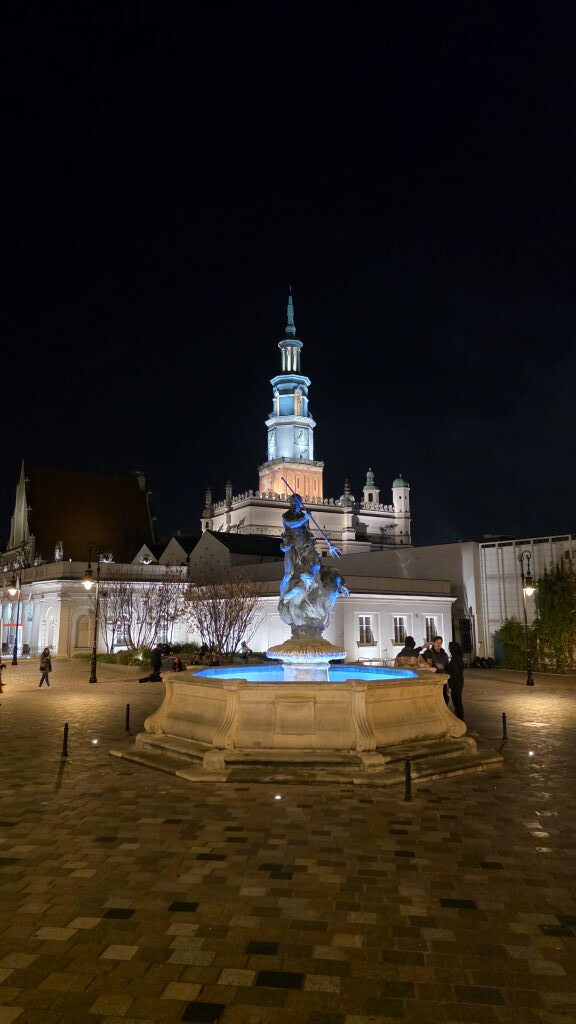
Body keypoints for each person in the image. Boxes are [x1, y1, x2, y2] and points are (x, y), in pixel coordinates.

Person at [422, 635, 450, 704]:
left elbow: (447, 667)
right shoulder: (427, 653)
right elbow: (424, 666)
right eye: (437, 642)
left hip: (442, 680)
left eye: (440, 642)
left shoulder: (444, 654)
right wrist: (433, 665)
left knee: (445, 698)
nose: (439, 644)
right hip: (433, 680)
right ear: (434, 643)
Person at [447, 640, 465, 720]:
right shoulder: (458, 657)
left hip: (456, 684)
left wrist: (450, 687)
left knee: (457, 703)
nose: (448, 648)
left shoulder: (455, 660)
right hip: (460, 682)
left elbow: (454, 674)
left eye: (449, 647)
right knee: (458, 702)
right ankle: (460, 719)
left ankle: (460, 720)